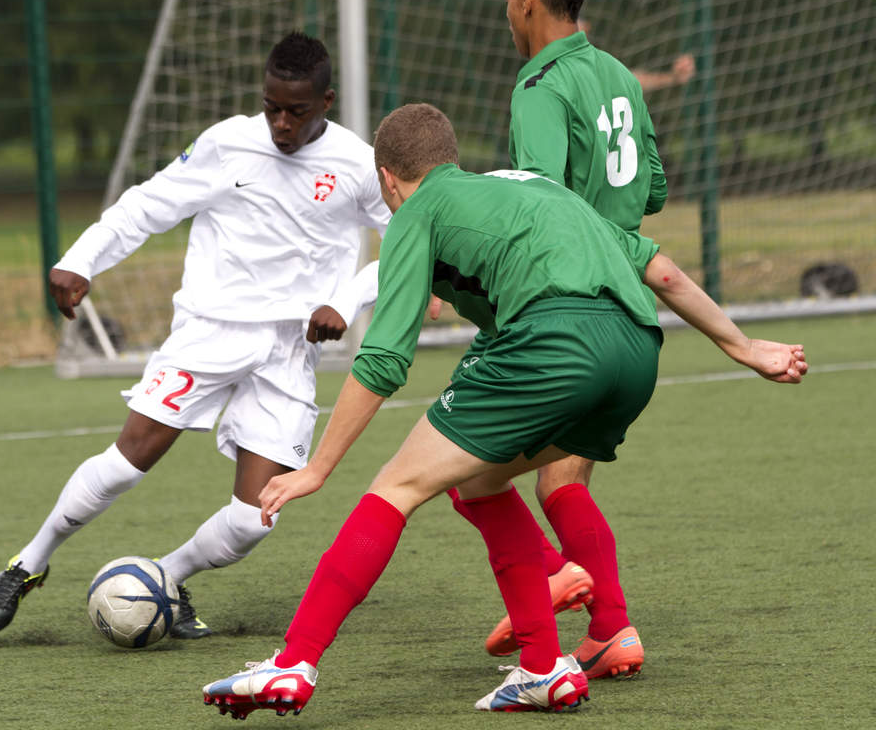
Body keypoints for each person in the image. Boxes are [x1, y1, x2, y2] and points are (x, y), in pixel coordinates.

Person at [201, 103, 806, 717]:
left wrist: (317, 469)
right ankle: (544, 668)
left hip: (553, 343)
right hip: (636, 353)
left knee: (395, 488)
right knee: (482, 482)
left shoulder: (419, 209)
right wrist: (745, 346)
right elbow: (664, 272)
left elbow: (383, 358)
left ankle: (294, 663)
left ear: (388, 180)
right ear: (451, 158)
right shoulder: (530, 189)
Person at [0, 32, 390, 639]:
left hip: (287, 352)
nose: (280, 122)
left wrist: (345, 300)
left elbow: (410, 239)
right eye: (271, 106)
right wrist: (82, 258)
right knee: (126, 462)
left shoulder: (357, 163)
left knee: (254, 520)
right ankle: (28, 561)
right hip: (209, 330)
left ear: (326, 100)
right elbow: (149, 205)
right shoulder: (227, 145)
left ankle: (165, 578)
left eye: (296, 110)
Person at [443, 0, 687, 676]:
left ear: (525, 0)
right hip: (626, 302)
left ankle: (554, 580)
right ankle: (611, 628)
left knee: (464, 470)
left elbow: (537, 200)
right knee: (561, 478)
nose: (504, 19)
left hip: (565, 304)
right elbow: (655, 191)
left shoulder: (540, 86)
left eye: (503, 4)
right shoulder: (617, 74)